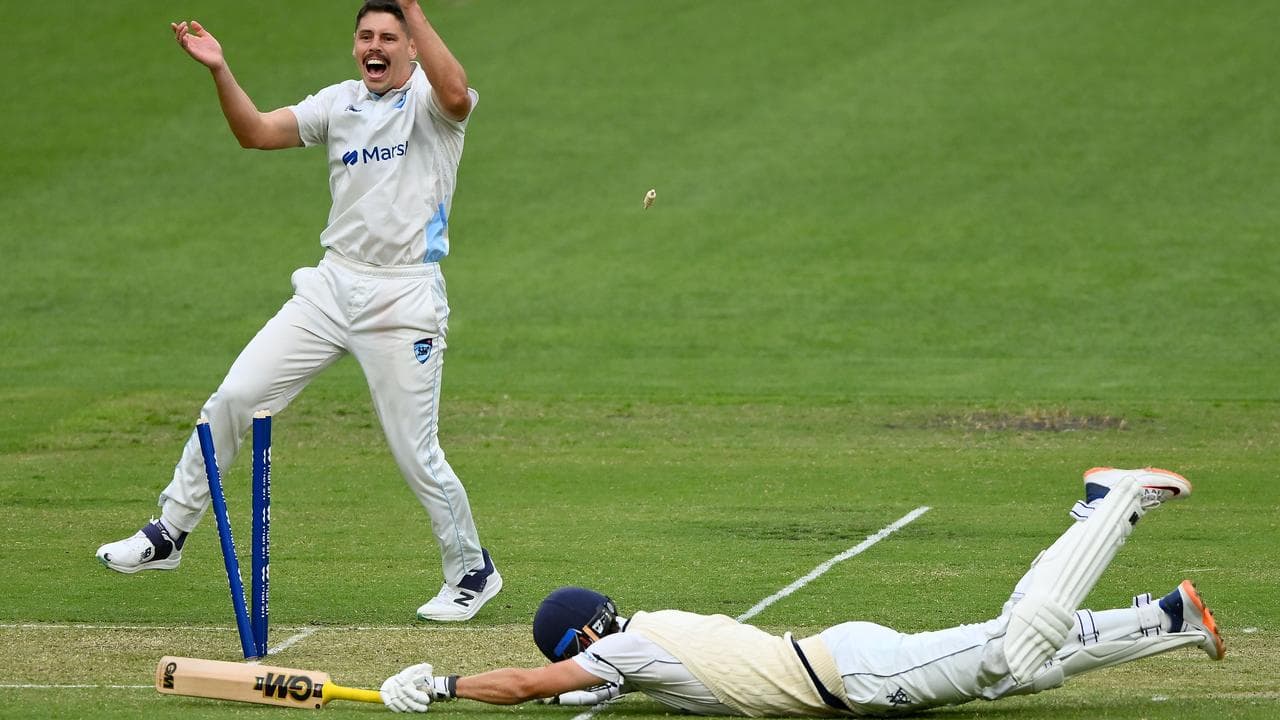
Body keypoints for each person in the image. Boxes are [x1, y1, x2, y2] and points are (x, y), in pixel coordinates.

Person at [95, 0, 501, 622]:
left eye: (390, 37)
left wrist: (414, 9)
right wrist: (220, 69)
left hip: (403, 296)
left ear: (413, 44)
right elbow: (255, 132)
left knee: (415, 452)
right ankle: (169, 533)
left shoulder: (431, 103)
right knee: (234, 397)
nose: (376, 46)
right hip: (331, 286)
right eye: (366, 35)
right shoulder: (339, 102)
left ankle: (471, 568)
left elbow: (454, 91)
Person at [378, 467, 1225, 714]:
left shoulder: (627, 654)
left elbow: (532, 687)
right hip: (847, 662)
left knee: (1014, 645)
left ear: (585, 644)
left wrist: (442, 684)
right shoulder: (640, 639)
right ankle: (1169, 618)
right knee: (1020, 670)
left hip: (856, 675)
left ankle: (1111, 505)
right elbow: (572, 695)